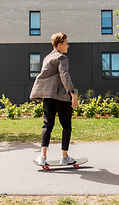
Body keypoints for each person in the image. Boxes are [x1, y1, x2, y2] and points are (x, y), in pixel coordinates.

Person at [30, 32, 78, 166]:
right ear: (59, 44)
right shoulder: (62, 58)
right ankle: (64, 157)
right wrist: (73, 94)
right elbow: (65, 76)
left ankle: (42, 157)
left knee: (47, 125)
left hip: (48, 96)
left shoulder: (47, 58)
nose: (68, 46)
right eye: (66, 43)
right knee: (66, 126)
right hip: (62, 97)